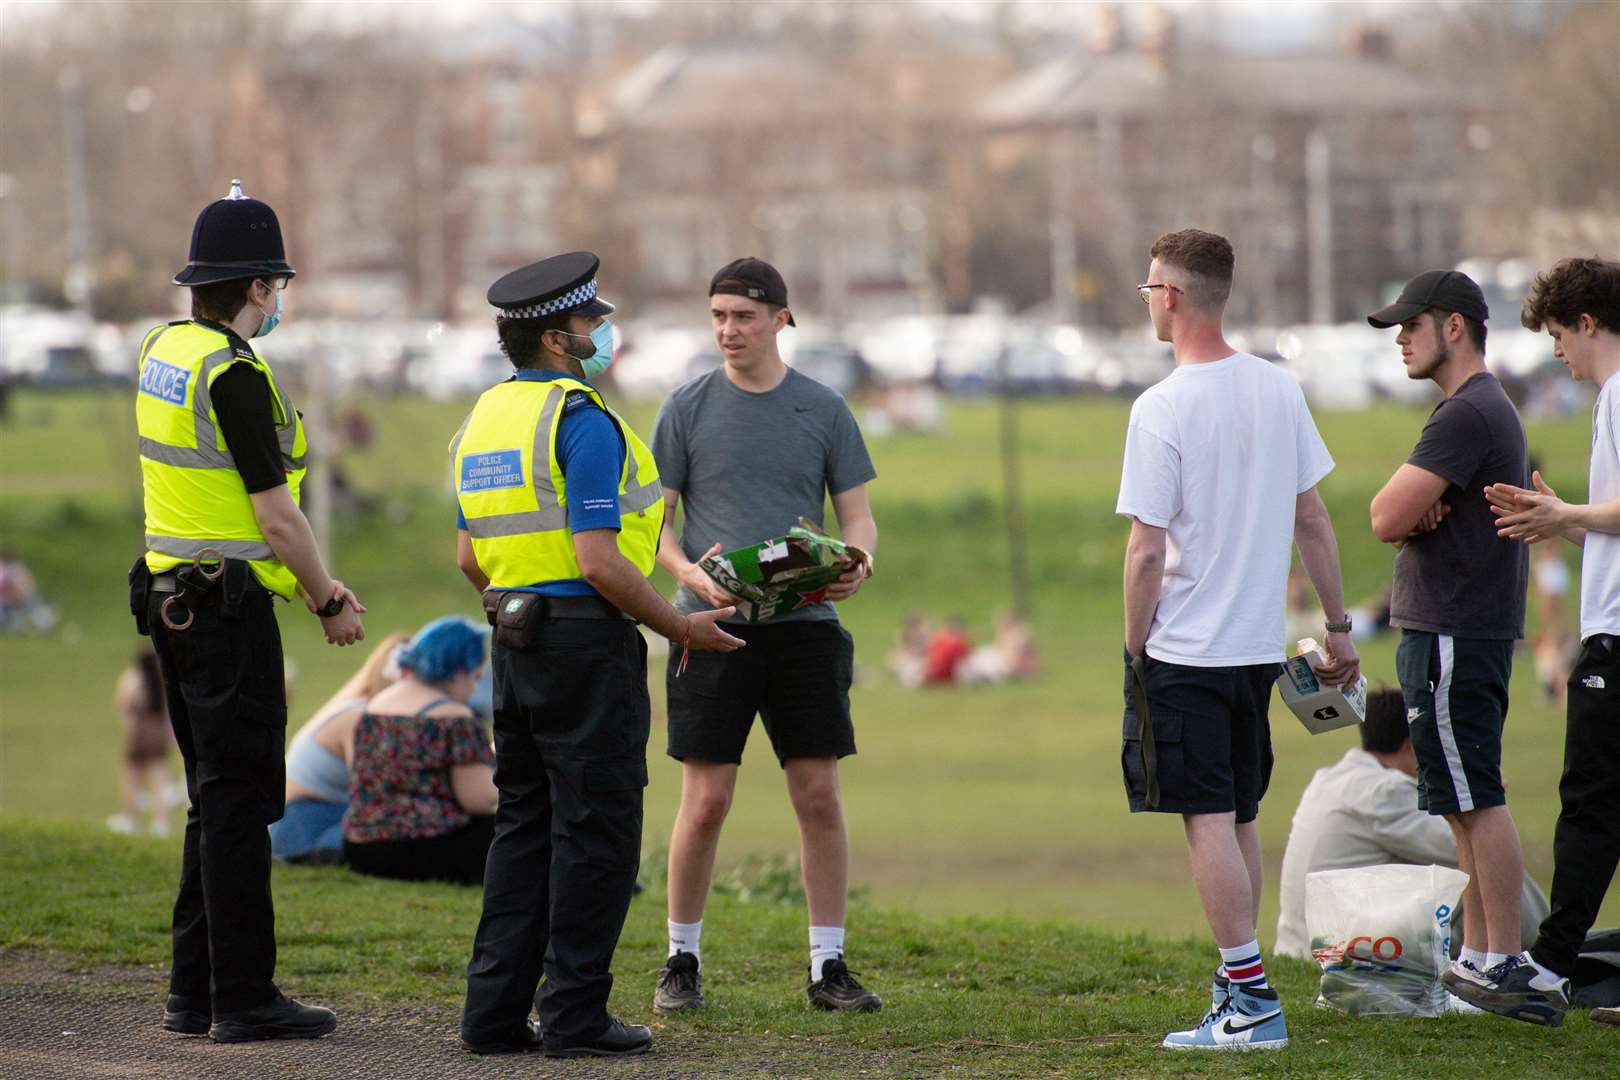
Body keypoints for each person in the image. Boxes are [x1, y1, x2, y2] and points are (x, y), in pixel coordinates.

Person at [454, 252, 743, 1059]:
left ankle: (493, 1015)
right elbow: (600, 558)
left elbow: (469, 559)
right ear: (556, 338)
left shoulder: (483, 420)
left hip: (514, 641)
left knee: (524, 828)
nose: (601, 333)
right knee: (598, 832)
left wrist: (521, 603)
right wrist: (680, 628)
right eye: (590, 323)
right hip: (586, 645)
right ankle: (576, 1017)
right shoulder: (579, 419)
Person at [131, 180, 364, 1044]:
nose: (279, 303)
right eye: (278, 287)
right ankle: (245, 999)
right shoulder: (231, 372)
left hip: (168, 598)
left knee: (211, 801)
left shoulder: (163, 346)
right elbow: (275, 514)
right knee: (237, 809)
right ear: (259, 287)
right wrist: (327, 597)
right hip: (226, 614)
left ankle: (194, 995)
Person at [1116, 229, 1360, 1051]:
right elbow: (1312, 517)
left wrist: (1133, 644)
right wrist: (1337, 626)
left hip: (1185, 647)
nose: (1147, 301)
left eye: (1150, 289)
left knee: (1207, 818)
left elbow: (1147, 549)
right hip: (1258, 647)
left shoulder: (1162, 407)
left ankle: (1252, 1004)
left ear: (1174, 297)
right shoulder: (1278, 388)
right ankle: (1238, 986)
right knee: (1240, 814)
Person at [650, 257, 881, 1016]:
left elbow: (857, 518)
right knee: (707, 801)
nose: (728, 330)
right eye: (717, 316)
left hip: (806, 629)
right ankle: (680, 960)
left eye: (743, 317)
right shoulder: (684, 407)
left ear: (782, 319)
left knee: (817, 795)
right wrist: (691, 572)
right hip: (711, 628)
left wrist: (859, 563)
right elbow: (655, 530)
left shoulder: (823, 409)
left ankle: (828, 967)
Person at [1366, 269, 1533, 1009]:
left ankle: (1504, 961)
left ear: (1454, 327)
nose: (1401, 338)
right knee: (1457, 800)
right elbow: (1406, 513)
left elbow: (1382, 515)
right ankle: (1475, 957)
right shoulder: (1471, 412)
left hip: (1456, 630)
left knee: (1478, 796)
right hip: (1453, 629)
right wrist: (1417, 511)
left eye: (1412, 324)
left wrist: (1412, 511)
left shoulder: (1466, 414)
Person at [1475, 256, 1620, 1025]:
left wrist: (1565, 518)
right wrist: (1567, 509)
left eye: (1561, 334)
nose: (1558, 351)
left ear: (1588, 322)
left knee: (1590, 801)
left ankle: (1551, 970)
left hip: (1617, 639)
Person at [1274, 689, 1548, 968]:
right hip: (1334, 949)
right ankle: (1539, 951)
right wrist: (1484, 805)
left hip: (1300, 942)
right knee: (1490, 873)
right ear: (1410, 744)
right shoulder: (1384, 791)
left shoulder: (1330, 779)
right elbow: (1473, 848)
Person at [343, 617, 495, 884]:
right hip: (422, 849)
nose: (473, 688)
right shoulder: (454, 718)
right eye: (474, 677)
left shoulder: (375, 705)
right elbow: (477, 800)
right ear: (458, 669)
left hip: (361, 849)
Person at [269, 632, 407, 863]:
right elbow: (372, 789)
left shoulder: (360, 709)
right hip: (302, 825)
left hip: (312, 817)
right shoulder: (359, 717)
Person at [107, 646, 176, 836]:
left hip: (139, 734)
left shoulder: (133, 678)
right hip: (159, 736)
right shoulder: (161, 679)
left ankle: (130, 819)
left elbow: (122, 703)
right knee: (159, 778)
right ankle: (161, 823)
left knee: (132, 777)